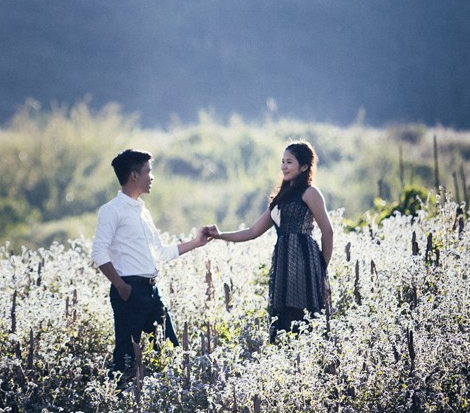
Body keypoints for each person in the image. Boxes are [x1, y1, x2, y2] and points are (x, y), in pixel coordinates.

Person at [92, 148, 211, 375]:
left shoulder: (143, 211)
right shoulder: (112, 210)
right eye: (148, 171)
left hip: (152, 292)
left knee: (172, 350)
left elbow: (162, 253)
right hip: (129, 291)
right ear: (134, 176)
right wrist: (121, 286)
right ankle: (114, 403)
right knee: (125, 360)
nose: (152, 177)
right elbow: (99, 252)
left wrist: (197, 242)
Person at [204, 140, 334, 340]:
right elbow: (252, 231)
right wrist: (219, 235)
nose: (284, 166)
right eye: (282, 161)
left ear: (305, 166)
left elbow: (328, 231)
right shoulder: (280, 198)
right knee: (284, 322)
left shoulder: (310, 193)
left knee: (303, 319)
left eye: (289, 162)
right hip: (283, 266)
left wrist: (321, 267)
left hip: (305, 265)